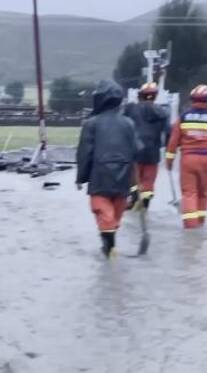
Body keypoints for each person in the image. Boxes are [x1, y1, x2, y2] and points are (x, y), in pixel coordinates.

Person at [76, 80, 139, 258]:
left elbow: (84, 153)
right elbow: (136, 152)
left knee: (104, 214)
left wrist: (80, 178)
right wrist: (134, 185)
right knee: (114, 218)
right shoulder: (129, 124)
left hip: (100, 178)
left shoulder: (91, 124)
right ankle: (110, 249)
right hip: (123, 179)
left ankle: (109, 250)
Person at [165, 84, 207, 229]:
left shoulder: (183, 118)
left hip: (188, 160)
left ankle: (190, 230)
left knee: (189, 193)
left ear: (192, 100)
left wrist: (169, 160)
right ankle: (200, 225)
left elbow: (173, 142)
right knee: (203, 193)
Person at [123, 82, 170, 210]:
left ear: (140, 95)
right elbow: (168, 132)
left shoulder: (130, 109)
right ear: (155, 96)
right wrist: (168, 150)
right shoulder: (162, 112)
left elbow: (122, 126)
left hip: (134, 151)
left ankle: (133, 201)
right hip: (152, 152)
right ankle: (145, 204)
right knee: (148, 180)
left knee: (133, 179)